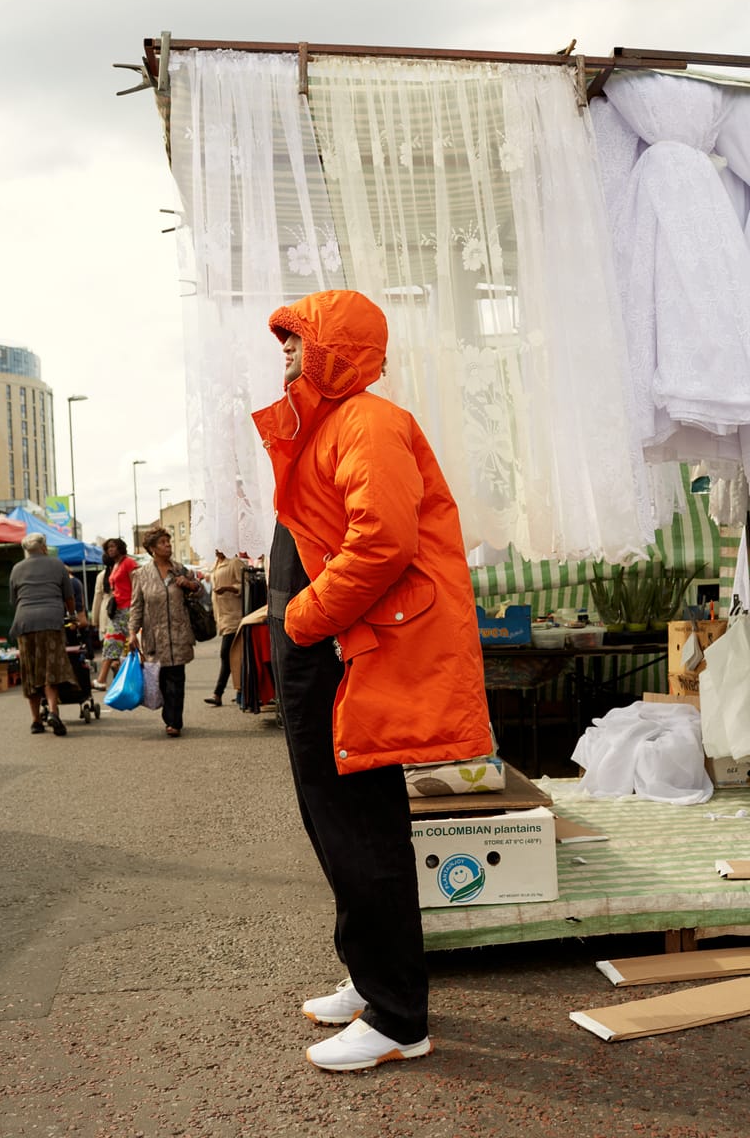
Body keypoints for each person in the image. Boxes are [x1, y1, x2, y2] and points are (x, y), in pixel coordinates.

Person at [252, 289, 492, 1073]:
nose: (283, 350)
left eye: (297, 339)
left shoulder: (368, 422)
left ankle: (397, 1016)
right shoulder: (331, 423)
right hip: (323, 648)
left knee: (361, 828)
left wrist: (302, 617)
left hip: (341, 651)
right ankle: (369, 978)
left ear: (334, 348)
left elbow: (383, 541)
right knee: (333, 823)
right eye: (284, 339)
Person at [128, 525, 199, 737]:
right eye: (162, 543)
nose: (168, 546)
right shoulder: (141, 575)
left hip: (179, 632)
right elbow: (136, 606)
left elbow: (198, 593)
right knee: (162, 678)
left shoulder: (180, 569)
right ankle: (171, 716)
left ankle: (174, 721)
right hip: (154, 635)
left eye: (169, 542)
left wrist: (189, 584)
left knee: (177, 678)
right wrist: (133, 632)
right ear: (151, 548)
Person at [9, 532, 78, 737]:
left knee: (30, 671)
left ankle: (36, 720)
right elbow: (69, 596)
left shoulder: (16, 569)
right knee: (51, 668)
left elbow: (14, 601)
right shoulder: (57, 565)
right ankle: (53, 712)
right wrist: (72, 616)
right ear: (44, 547)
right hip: (51, 621)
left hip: (25, 622)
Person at [92, 538, 136, 691]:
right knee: (111, 643)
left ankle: (104, 680)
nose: (111, 549)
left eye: (113, 546)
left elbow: (136, 585)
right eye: (108, 547)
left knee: (121, 643)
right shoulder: (115, 565)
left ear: (120, 547)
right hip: (117, 611)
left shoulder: (128, 562)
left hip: (128, 609)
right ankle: (103, 680)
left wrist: (135, 607)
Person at [203, 548, 244, 706]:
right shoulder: (216, 564)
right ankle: (241, 691)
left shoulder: (234, 562)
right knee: (234, 656)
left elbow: (245, 584)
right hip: (222, 616)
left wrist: (228, 588)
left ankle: (218, 693)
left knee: (226, 655)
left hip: (234, 616)